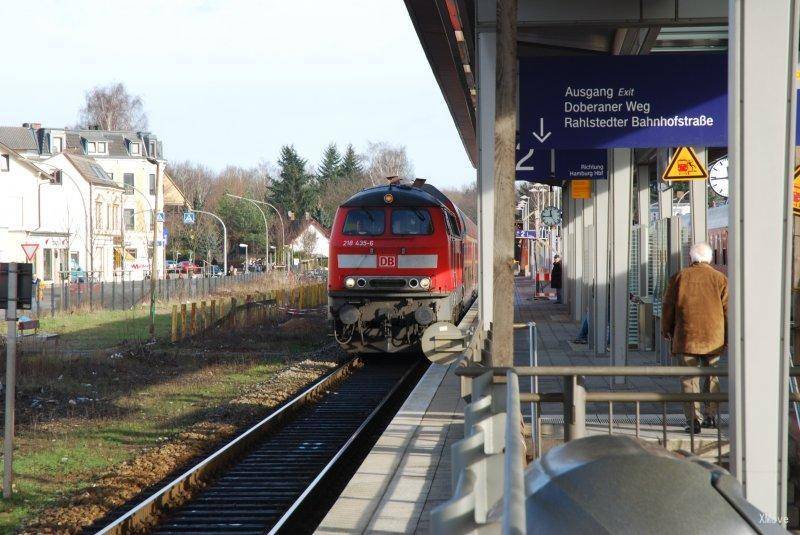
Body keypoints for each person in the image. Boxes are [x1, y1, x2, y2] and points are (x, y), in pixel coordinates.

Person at [661, 242, 728, 434]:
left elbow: (668, 307)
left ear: (691, 258)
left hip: (687, 337)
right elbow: (728, 311)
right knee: (712, 376)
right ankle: (711, 417)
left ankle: (693, 421)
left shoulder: (680, 277)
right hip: (713, 339)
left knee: (689, 379)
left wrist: (666, 330)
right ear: (710, 258)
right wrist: (728, 337)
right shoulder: (720, 279)